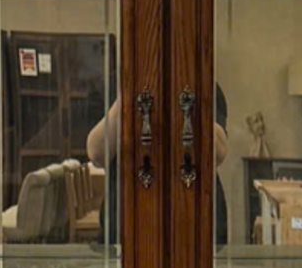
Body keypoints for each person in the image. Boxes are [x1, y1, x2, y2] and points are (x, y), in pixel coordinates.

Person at [86, 82, 231, 244]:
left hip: (195, 218)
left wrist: (183, 91)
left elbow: (218, 153)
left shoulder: (204, 83)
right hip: (127, 219)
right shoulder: (109, 86)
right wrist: (129, 94)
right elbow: (97, 154)